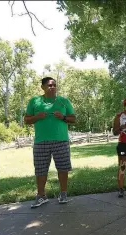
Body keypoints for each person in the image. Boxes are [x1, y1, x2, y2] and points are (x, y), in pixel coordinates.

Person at [24, 77, 76, 208]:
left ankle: (63, 194)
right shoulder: (34, 101)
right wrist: (37, 117)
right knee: (40, 169)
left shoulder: (63, 101)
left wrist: (63, 117)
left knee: (63, 168)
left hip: (61, 140)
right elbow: (26, 119)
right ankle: (41, 196)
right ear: (42, 87)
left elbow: (73, 118)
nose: (52, 87)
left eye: (54, 85)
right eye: (49, 85)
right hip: (41, 141)